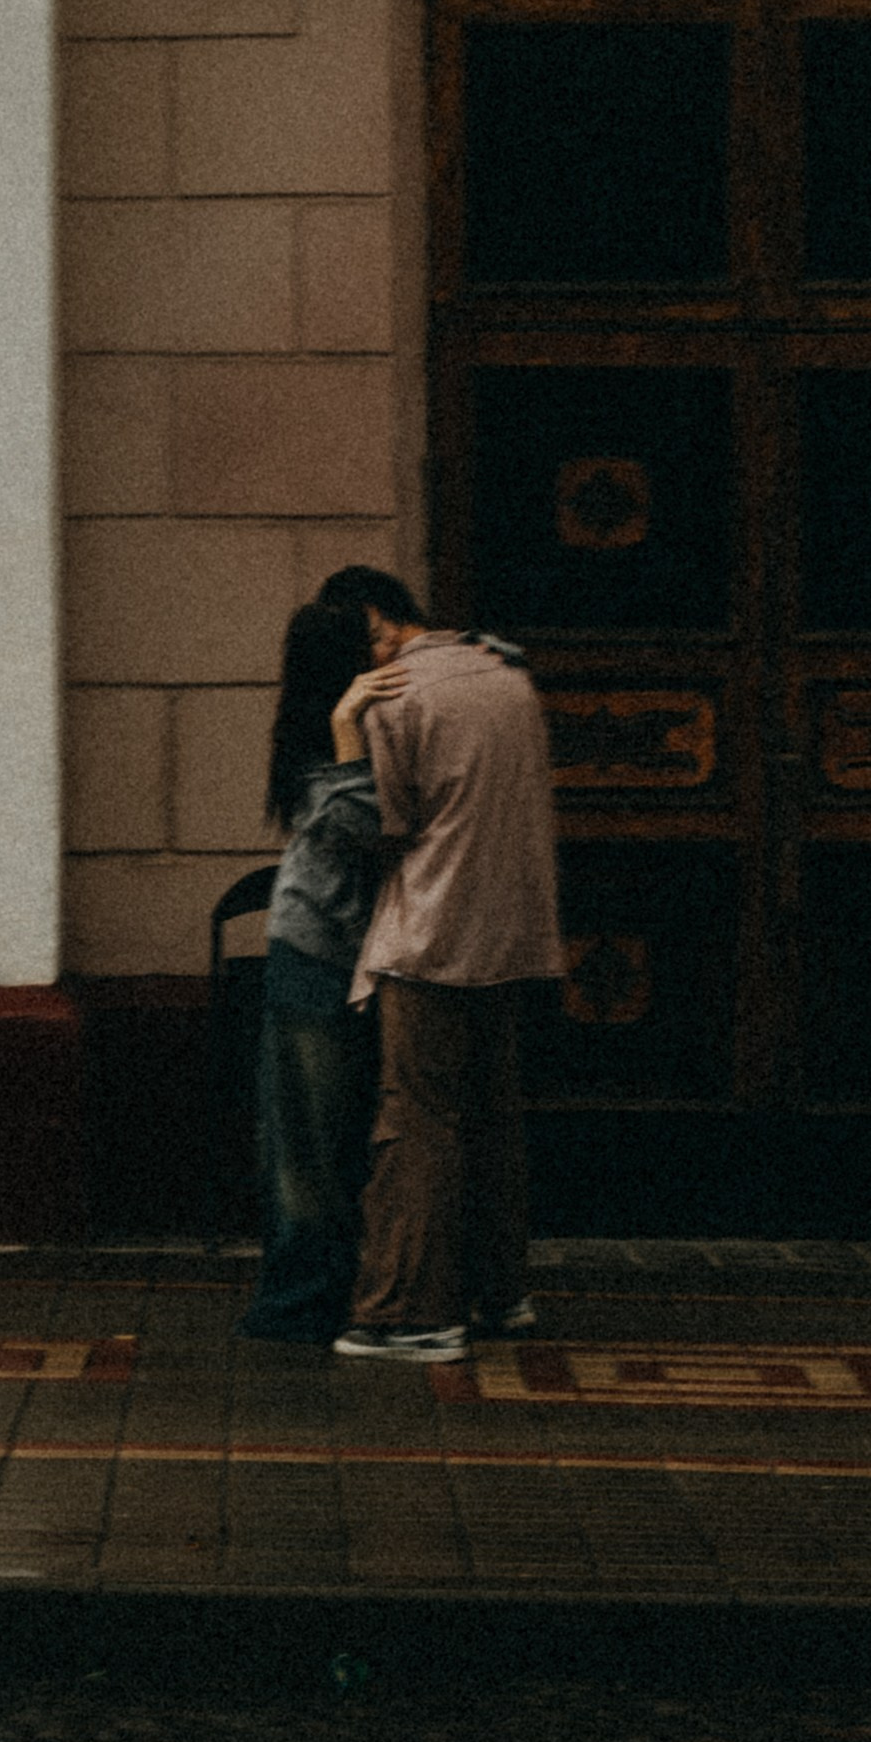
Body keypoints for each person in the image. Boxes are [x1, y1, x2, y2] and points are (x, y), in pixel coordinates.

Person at [329, 573, 564, 1366]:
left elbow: (373, 830)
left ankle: (411, 1312)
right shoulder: (507, 676)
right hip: (509, 933)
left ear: (376, 625)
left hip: (428, 937)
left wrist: (342, 730)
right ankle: (500, 1293)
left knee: (415, 1124)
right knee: (491, 1119)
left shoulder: (393, 696)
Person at [233, 574, 408, 1345]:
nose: (387, 648)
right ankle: (300, 1301)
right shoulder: (323, 733)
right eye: (368, 639)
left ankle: (343, 1288)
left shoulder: (382, 718)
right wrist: (347, 730)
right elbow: (352, 826)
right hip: (317, 953)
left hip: (368, 951)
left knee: (350, 1131)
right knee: (307, 1138)